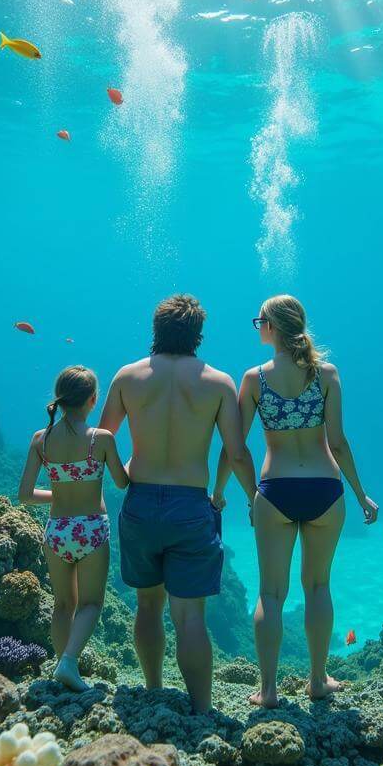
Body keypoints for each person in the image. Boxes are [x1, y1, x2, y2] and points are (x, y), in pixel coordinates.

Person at [214, 294, 378, 708]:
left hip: (276, 491)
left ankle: (267, 691)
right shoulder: (327, 374)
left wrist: (225, 492)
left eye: (259, 321)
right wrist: (361, 495)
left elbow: (234, 448)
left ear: (272, 327)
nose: (257, 328)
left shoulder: (254, 379)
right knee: (318, 585)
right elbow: (338, 443)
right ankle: (318, 680)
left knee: (271, 593)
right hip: (325, 490)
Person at [99, 294, 257, 713]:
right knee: (191, 618)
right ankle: (202, 710)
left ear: (156, 330)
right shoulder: (219, 382)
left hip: (140, 501)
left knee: (147, 605)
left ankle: (152, 690)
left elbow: (101, 441)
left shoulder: (127, 377)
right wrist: (253, 497)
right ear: (198, 334)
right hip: (191, 507)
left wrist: (121, 474)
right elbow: (237, 452)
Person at [19, 365, 129, 692]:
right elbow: (122, 483)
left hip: (56, 530)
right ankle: (68, 662)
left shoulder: (41, 440)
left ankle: (63, 667)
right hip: (92, 529)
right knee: (91, 603)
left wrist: (61, 491)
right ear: (93, 400)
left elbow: (24, 495)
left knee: (63, 604)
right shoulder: (101, 439)